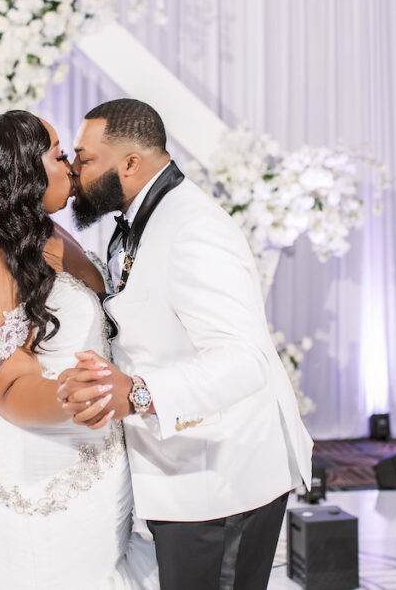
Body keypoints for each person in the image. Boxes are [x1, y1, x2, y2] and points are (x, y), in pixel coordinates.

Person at [58, 98, 314, 590]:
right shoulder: (142, 217)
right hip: (186, 474)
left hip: (224, 481)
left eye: (85, 158)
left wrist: (136, 392)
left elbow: (245, 359)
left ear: (130, 164)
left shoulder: (195, 227)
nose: (75, 170)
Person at [0, 110, 158, 590]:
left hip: (93, 451)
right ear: (21, 172)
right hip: (27, 469)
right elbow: (12, 388)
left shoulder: (46, 235)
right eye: (59, 156)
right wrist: (76, 395)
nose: (72, 168)